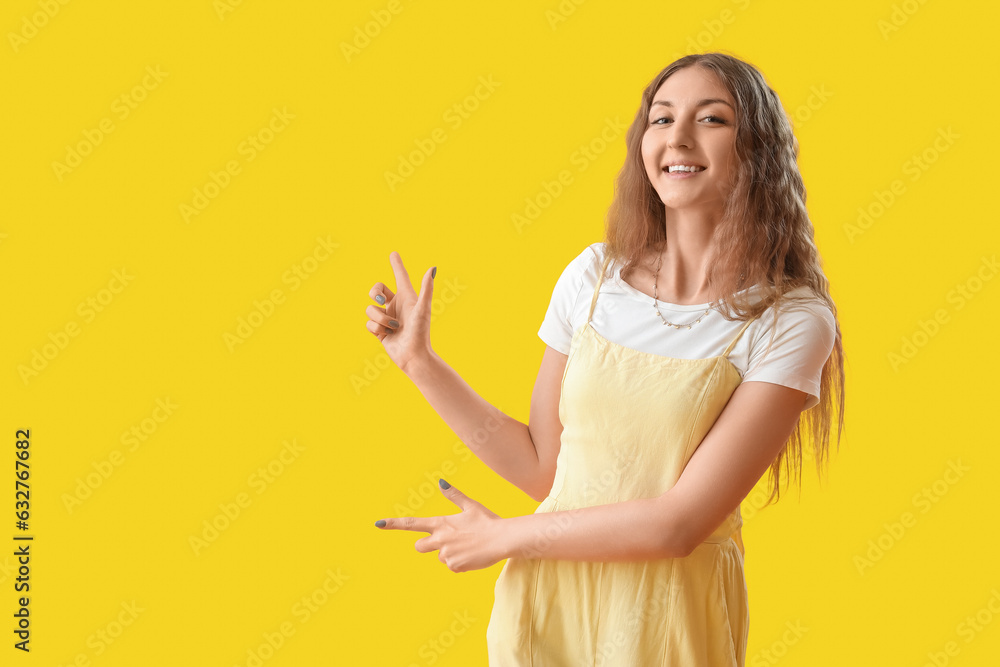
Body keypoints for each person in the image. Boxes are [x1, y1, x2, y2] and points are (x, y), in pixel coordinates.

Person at [365, 51, 845, 666]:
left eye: (712, 119)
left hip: (668, 615)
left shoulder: (791, 320)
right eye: (661, 118)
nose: (678, 137)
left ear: (759, 152)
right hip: (548, 598)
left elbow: (678, 526)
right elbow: (544, 468)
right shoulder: (593, 277)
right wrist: (419, 363)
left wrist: (505, 535)